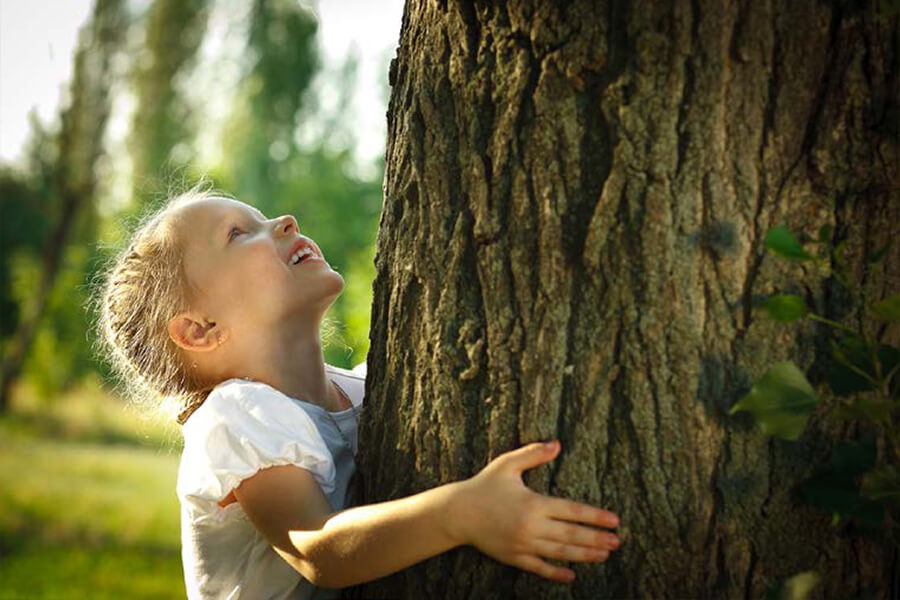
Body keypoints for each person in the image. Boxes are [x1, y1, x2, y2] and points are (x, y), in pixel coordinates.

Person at [96, 184, 621, 599]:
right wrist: (464, 513)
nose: (284, 221)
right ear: (201, 330)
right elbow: (318, 551)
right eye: (239, 233)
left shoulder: (368, 386)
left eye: (261, 218)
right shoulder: (235, 419)